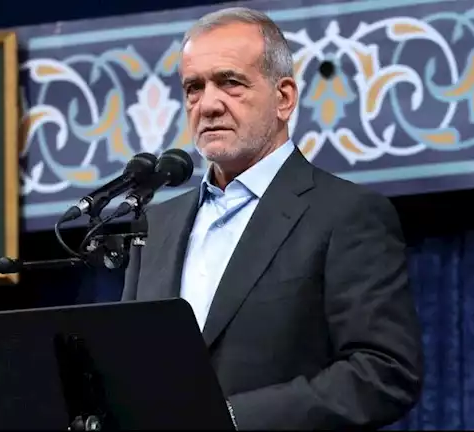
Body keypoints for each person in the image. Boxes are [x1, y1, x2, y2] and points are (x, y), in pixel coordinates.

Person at [122, 7, 423, 430]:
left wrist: (231, 419)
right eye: (194, 87)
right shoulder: (154, 227)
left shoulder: (346, 214)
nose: (208, 105)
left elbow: (384, 372)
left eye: (230, 82)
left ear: (284, 98)